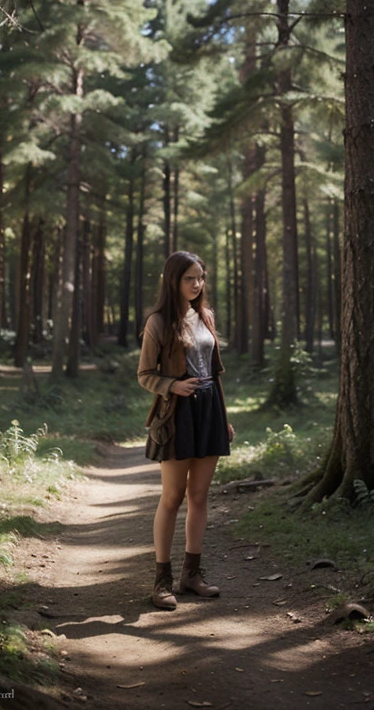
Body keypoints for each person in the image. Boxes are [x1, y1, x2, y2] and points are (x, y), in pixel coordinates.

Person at [138, 250, 234, 610]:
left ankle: (191, 575)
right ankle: (161, 581)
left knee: (199, 497)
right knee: (172, 497)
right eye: (189, 278)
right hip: (177, 414)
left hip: (209, 411)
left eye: (200, 277)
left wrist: (223, 418)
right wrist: (172, 386)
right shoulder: (159, 322)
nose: (197, 284)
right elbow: (145, 374)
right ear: (173, 281)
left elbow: (215, 371)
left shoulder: (204, 316)